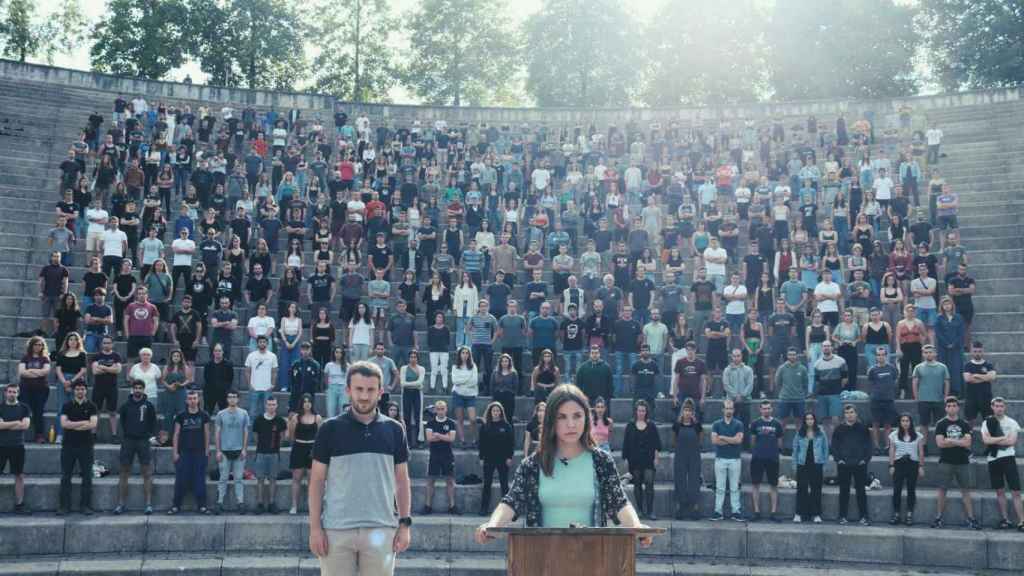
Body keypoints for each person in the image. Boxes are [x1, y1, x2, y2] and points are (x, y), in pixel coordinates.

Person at [476, 385, 651, 543]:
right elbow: (511, 502)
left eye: (577, 416)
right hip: (542, 560)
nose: (571, 424)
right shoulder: (532, 464)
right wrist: (491, 526)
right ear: (551, 420)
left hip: (591, 558)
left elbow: (619, 503)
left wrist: (637, 527)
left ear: (586, 418)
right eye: (561, 417)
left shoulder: (602, 461)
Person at [308, 361, 412, 574]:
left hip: (381, 529)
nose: (364, 396)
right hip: (336, 529)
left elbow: (402, 480)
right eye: (359, 389)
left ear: (381, 392)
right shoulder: (329, 428)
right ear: (348, 390)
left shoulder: (394, 430)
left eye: (371, 390)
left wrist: (405, 525)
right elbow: (317, 481)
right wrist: (315, 528)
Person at [932, 396, 981, 529]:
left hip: (962, 462)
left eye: (954, 405)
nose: (951, 408)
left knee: (966, 491)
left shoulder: (964, 424)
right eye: (949, 406)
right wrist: (959, 442)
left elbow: (968, 443)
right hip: (946, 462)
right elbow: (940, 444)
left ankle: (971, 518)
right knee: (942, 490)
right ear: (945, 408)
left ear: (958, 408)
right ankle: (938, 518)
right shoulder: (941, 424)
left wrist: (951, 441)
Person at [981, 397, 1024, 531]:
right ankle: (1005, 520)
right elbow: (985, 441)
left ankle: (1022, 521)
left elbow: (1011, 442)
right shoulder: (987, 422)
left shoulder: (1011, 422)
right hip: (993, 459)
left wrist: (994, 440)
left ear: (1004, 407)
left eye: (1001, 406)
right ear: (992, 407)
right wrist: (1002, 438)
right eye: (997, 406)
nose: (999, 408)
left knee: (1015, 491)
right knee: (999, 491)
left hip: (1008, 458)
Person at [114, 379, 156, 515]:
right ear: (132, 389)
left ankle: (149, 504)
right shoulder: (125, 406)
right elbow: (122, 423)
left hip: (143, 441)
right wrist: (127, 436)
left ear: (144, 390)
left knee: (147, 473)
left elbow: (153, 423)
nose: (138, 390)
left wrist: (149, 436)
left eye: (140, 388)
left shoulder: (149, 406)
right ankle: (121, 504)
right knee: (124, 473)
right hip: (128, 441)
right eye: (135, 388)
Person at [169, 390, 211, 515]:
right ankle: (176, 505)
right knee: (181, 480)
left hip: (199, 452)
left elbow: (207, 433)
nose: (192, 401)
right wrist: (175, 452)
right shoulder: (181, 416)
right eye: (190, 398)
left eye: (194, 398)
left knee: (200, 480)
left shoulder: (204, 415)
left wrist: (207, 450)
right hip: (184, 452)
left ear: (198, 400)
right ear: (186, 401)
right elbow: (176, 434)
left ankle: (202, 506)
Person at [58, 380, 98, 515]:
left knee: (87, 476)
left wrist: (72, 424)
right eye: (77, 389)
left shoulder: (92, 406)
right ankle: (64, 506)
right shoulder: (67, 405)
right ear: (74, 391)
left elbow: (92, 425)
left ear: (86, 390)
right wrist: (82, 423)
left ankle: (85, 506)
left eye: (82, 389)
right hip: (68, 445)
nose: (80, 391)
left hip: (86, 446)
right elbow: (64, 424)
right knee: (65, 476)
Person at [832, 404, 872, 525]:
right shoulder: (839, 429)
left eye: (852, 412)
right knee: (844, 491)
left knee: (861, 491)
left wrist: (865, 459)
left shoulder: (863, 428)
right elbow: (834, 446)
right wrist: (838, 459)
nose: (849, 415)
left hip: (860, 464)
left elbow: (868, 446)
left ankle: (864, 517)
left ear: (856, 414)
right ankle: (842, 516)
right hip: (844, 464)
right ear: (844, 415)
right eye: (847, 413)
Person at [622, 400, 662, 520]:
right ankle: (639, 510)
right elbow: (626, 444)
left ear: (646, 412)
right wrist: (626, 459)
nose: (641, 413)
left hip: (649, 460)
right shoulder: (630, 425)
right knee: (637, 484)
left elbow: (657, 444)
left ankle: (650, 511)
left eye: (643, 410)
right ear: (636, 411)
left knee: (649, 483)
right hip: (634, 460)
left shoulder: (652, 426)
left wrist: (656, 457)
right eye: (639, 410)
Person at [214, 391, 250, 516]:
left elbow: (246, 432)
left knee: (238, 479)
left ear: (238, 399)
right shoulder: (221, 414)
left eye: (234, 397)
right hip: (224, 450)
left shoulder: (244, 413)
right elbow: (217, 433)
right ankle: (219, 503)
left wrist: (244, 449)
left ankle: (240, 503)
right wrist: (218, 450)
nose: (232, 399)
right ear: (227, 399)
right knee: (223, 478)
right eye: (230, 397)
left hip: (239, 450)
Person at [749, 400, 784, 522]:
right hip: (757, 458)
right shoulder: (755, 424)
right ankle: (756, 511)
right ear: (760, 410)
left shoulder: (777, 424)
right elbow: (752, 441)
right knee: (755, 485)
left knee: (773, 485)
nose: (766, 410)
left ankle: (773, 512)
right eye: (764, 408)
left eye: (768, 408)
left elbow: (780, 443)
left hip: (772, 458)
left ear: (772, 409)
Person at [422, 400, 459, 515]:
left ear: (446, 409)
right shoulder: (430, 423)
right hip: (434, 455)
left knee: (450, 481)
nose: (440, 411)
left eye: (442, 408)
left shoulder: (451, 423)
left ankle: (452, 506)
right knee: (430, 481)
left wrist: (437, 435)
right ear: (435, 410)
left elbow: (451, 439)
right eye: (438, 409)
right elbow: (429, 438)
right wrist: (444, 436)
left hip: (447, 455)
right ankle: (427, 506)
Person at [710, 398, 745, 522]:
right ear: (723, 409)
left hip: (735, 460)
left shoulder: (739, 424)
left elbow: (738, 441)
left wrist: (723, 437)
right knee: (720, 487)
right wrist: (732, 440)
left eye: (731, 408)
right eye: (726, 408)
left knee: (735, 487)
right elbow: (714, 441)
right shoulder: (716, 424)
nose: (728, 410)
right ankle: (718, 511)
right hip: (720, 459)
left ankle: (736, 511)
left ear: (733, 410)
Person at [252, 396, 288, 515]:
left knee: (273, 479)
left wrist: (276, 446)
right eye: (269, 404)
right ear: (265, 406)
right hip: (261, 453)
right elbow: (256, 437)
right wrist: (262, 447)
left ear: (276, 406)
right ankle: (260, 503)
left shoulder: (280, 421)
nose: (271, 406)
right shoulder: (258, 420)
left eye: (273, 404)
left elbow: (283, 437)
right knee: (260, 479)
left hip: (274, 454)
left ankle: (272, 503)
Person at [0, 382, 32, 514]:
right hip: (1, 445)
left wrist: (6, 424)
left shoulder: (24, 408)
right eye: (10, 391)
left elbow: (25, 426)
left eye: (14, 392)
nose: (12, 394)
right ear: (5, 393)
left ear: (18, 393)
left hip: (18, 446)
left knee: (19, 475)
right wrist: (16, 422)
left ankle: (19, 504)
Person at [889, 413, 926, 525]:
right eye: (903, 421)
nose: (905, 423)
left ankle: (909, 514)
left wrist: (921, 466)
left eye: (907, 421)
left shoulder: (918, 435)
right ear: (900, 422)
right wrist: (891, 465)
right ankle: (896, 514)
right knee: (897, 490)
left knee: (911, 490)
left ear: (911, 422)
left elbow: (920, 451)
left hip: (912, 464)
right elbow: (891, 450)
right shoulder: (893, 435)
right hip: (899, 463)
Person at [479, 401, 515, 516]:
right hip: (489, 459)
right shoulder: (485, 426)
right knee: (487, 484)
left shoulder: (506, 426)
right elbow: (481, 443)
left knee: (504, 485)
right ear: (490, 412)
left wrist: (509, 457)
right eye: (494, 410)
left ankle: (507, 510)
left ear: (501, 412)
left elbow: (511, 443)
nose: (496, 413)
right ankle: (484, 508)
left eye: (498, 411)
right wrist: (481, 457)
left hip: (503, 459)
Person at [288, 393, 322, 515]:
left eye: (309, 401)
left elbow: (320, 437)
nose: (307, 403)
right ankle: (294, 506)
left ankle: (312, 507)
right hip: (299, 448)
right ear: (301, 403)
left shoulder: (317, 418)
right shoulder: (296, 417)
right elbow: (291, 435)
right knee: (296, 478)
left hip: (312, 450)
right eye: (304, 401)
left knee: (311, 481)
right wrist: (298, 444)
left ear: (312, 403)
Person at [792, 412, 828, 524]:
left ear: (814, 420)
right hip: (802, 463)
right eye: (807, 419)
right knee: (801, 488)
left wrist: (824, 463)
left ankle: (816, 514)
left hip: (817, 463)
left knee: (816, 489)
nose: (809, 421)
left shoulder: (820, 433)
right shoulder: (800, 433)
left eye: (811, 418)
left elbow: (825, 448)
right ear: (804, 421)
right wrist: (794, 464)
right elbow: (795, 449)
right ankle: (799, 513)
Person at [672, 398, 702, 520]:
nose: (687, 412)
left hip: (694, 454)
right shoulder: (677, 425)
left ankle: (694, 507)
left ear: (692, 412)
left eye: (689, 410)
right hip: (680, 454)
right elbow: (674, 440)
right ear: (682, 411)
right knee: (680, 479)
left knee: (694, 479)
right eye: (685, 410)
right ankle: (681, 506)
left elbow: (700, 439)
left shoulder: (697, 426)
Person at [913, 344, 950, 438]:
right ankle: (924, 445)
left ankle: (941, 444)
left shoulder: (943, 367)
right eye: (926, 353)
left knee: (940, 424)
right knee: (923, 424)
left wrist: (945, 396)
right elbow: (915, 383)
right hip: (924, 400)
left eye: (930, 352)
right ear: (923, 354)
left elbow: (947, 382)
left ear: (935, 353)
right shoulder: (918, 367)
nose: (928, 354)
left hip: (939, 400)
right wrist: (917, 397)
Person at [867, 346, 900, 454]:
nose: (881, 357)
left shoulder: (892, 368)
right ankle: (876, 447)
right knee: (875, 424)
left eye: (883, 355)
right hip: (875, 400)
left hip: (888, 400)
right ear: (876, 356)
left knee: (887, 425)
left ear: (886, 356)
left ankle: (887, 446)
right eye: (878, 355)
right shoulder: (872, 370)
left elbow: (895, 380)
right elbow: (871, 383)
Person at [813, 341, 847, 431]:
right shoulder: (817, 364)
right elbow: (817, 381)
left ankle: (837, 441)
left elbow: (845, 378)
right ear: (822, 348)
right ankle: (828, 443)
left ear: (832, 347)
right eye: (824, 346)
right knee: (825, 421)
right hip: (822, 395)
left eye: (828, 346)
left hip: (835, 394)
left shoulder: (841, 361)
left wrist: (837, 389)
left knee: (836, 420)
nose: (826, 348)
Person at [450, 346, 479, 447]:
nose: (465, 355)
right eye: (463, 353)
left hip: (471, 395)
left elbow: (474, 381)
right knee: (460, 419)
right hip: (458, 395)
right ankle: (463, 441)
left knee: (472, 419)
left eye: (467, 353)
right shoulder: (455, 367)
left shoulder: (473, 366)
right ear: (459, 354)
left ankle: (474, 440)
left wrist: (462, 381)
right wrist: (467, 379)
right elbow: (454, 381)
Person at [963, 341, 996, 427]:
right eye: (975, 351)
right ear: (971, 352)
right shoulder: (968, 365)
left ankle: (988, 439)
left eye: (979, 351)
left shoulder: (988, 365)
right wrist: (985, 378)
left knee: (989, 421)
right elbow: (967, 379)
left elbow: (992, 377)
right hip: (971, 397)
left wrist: (976, 375)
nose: (977, 353)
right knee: (969, 421)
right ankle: (969, 436)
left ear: (983, 351)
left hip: (986, 397)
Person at [775, 347, 808, 430]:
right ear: (787, 356)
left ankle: (800, 442)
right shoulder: (782, 368)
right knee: (782, 423)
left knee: (799, 423)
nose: (792, 356)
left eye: (794, 355)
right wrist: (783, 392)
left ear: (797, 356)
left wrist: (802, 394)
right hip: (785, 399)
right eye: (790, 355)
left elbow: (805, 384)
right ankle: (780, 443)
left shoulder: (802, 369)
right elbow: (777, 382)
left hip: (799, 399)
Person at [245, 335, 278, 418]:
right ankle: (252, 431)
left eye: (264, 342)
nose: (262, 344)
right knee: (252, 413)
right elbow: (247, 371)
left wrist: (272, 384)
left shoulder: (272, 356)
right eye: (260, 342)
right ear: (257, 344)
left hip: (267, 388)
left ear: (267, 343)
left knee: (267, 413)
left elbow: (274, 372)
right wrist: (249, 385)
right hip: (254, 388)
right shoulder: (251, 356)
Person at [399, 351, 426, 448]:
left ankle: (420, 441)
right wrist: (417, 384)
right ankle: (408, 441)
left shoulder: (421, 369)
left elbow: (420, 381)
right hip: (406, 394)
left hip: (417, 394)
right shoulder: (404, 368)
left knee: (418, 417)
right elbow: (402, 383)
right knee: (406, 417)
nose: (413, 359)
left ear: (417, 358)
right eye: (411, 357)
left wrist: (409, 384)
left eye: (415, 357)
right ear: (408, 358)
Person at [491, 353, 519, 423]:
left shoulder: (513, 373)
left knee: (508, 417)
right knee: (497, 417)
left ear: (509, 362)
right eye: (502, 361)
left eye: (506, 361)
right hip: (497, 396)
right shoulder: (495, 373)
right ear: (500, 362)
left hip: (509, 397)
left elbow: (515, 387)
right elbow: (492, 385)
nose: (504, 363)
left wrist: (511, 394)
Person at [324, 347, 349, 419]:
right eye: (336, 352)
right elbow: (325, 377)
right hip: (332, 388)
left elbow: (349, 378)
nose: (338, 354)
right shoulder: (329, 365)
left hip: (343, 388)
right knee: (331, 410)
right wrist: (328, 387)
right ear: (334, 353)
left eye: (340, 352)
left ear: (343, 354)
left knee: (343, 411)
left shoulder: (347, 365)